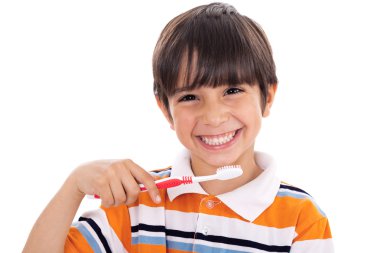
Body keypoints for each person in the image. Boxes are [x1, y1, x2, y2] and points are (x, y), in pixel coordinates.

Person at [23, 2, 333, 252]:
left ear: (268, 97)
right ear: (166, 111)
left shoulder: (301, 219)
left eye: (232, 91)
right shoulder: (138, 203)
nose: (213, 117)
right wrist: (74, 185)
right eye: (189, 97)